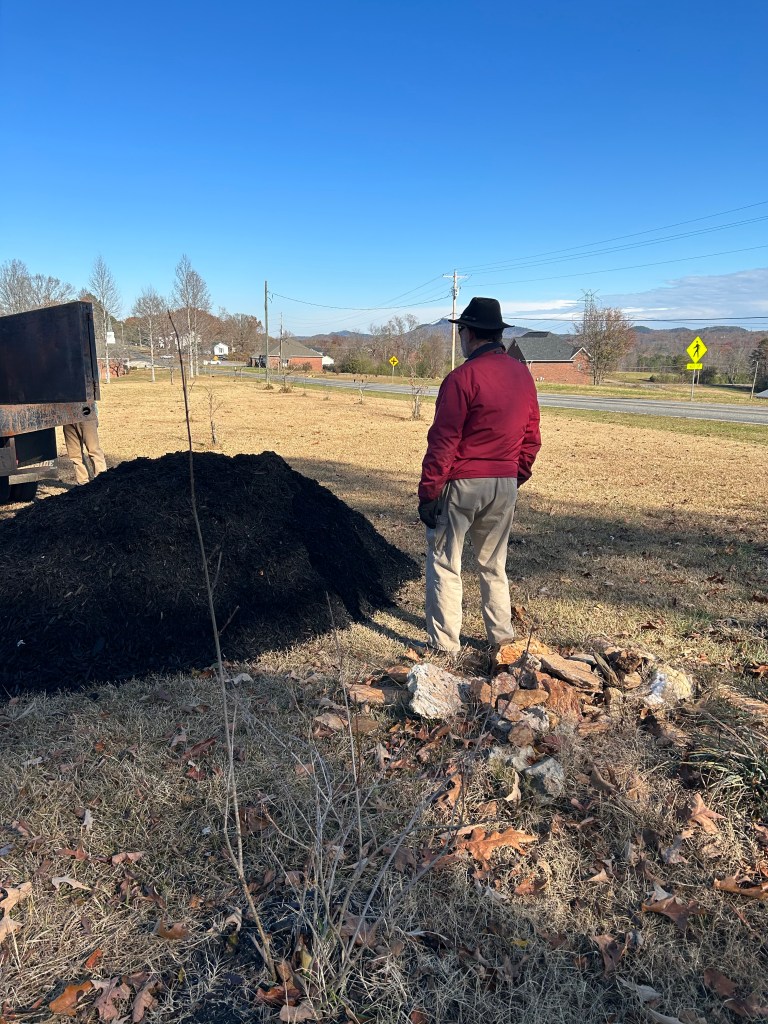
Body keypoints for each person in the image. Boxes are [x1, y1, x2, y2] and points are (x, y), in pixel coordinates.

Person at [418, 297, 541, 656]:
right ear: (497, 333)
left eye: (461, 331)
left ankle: (445, 647)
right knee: (493, 565)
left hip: (462, 483)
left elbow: (444, 441)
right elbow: (532, 436)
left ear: (468, 333)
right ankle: (501, 640)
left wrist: (429, 492)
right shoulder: (522, 376)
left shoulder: (461, 378)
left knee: (446, 563)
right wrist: (513, 476)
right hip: (504, 482)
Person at [62, 407, 107, 485]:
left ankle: (103, 481)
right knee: (75, 455)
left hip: (86, 414)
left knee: (93, 450)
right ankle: (83, 483)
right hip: (68, 417)